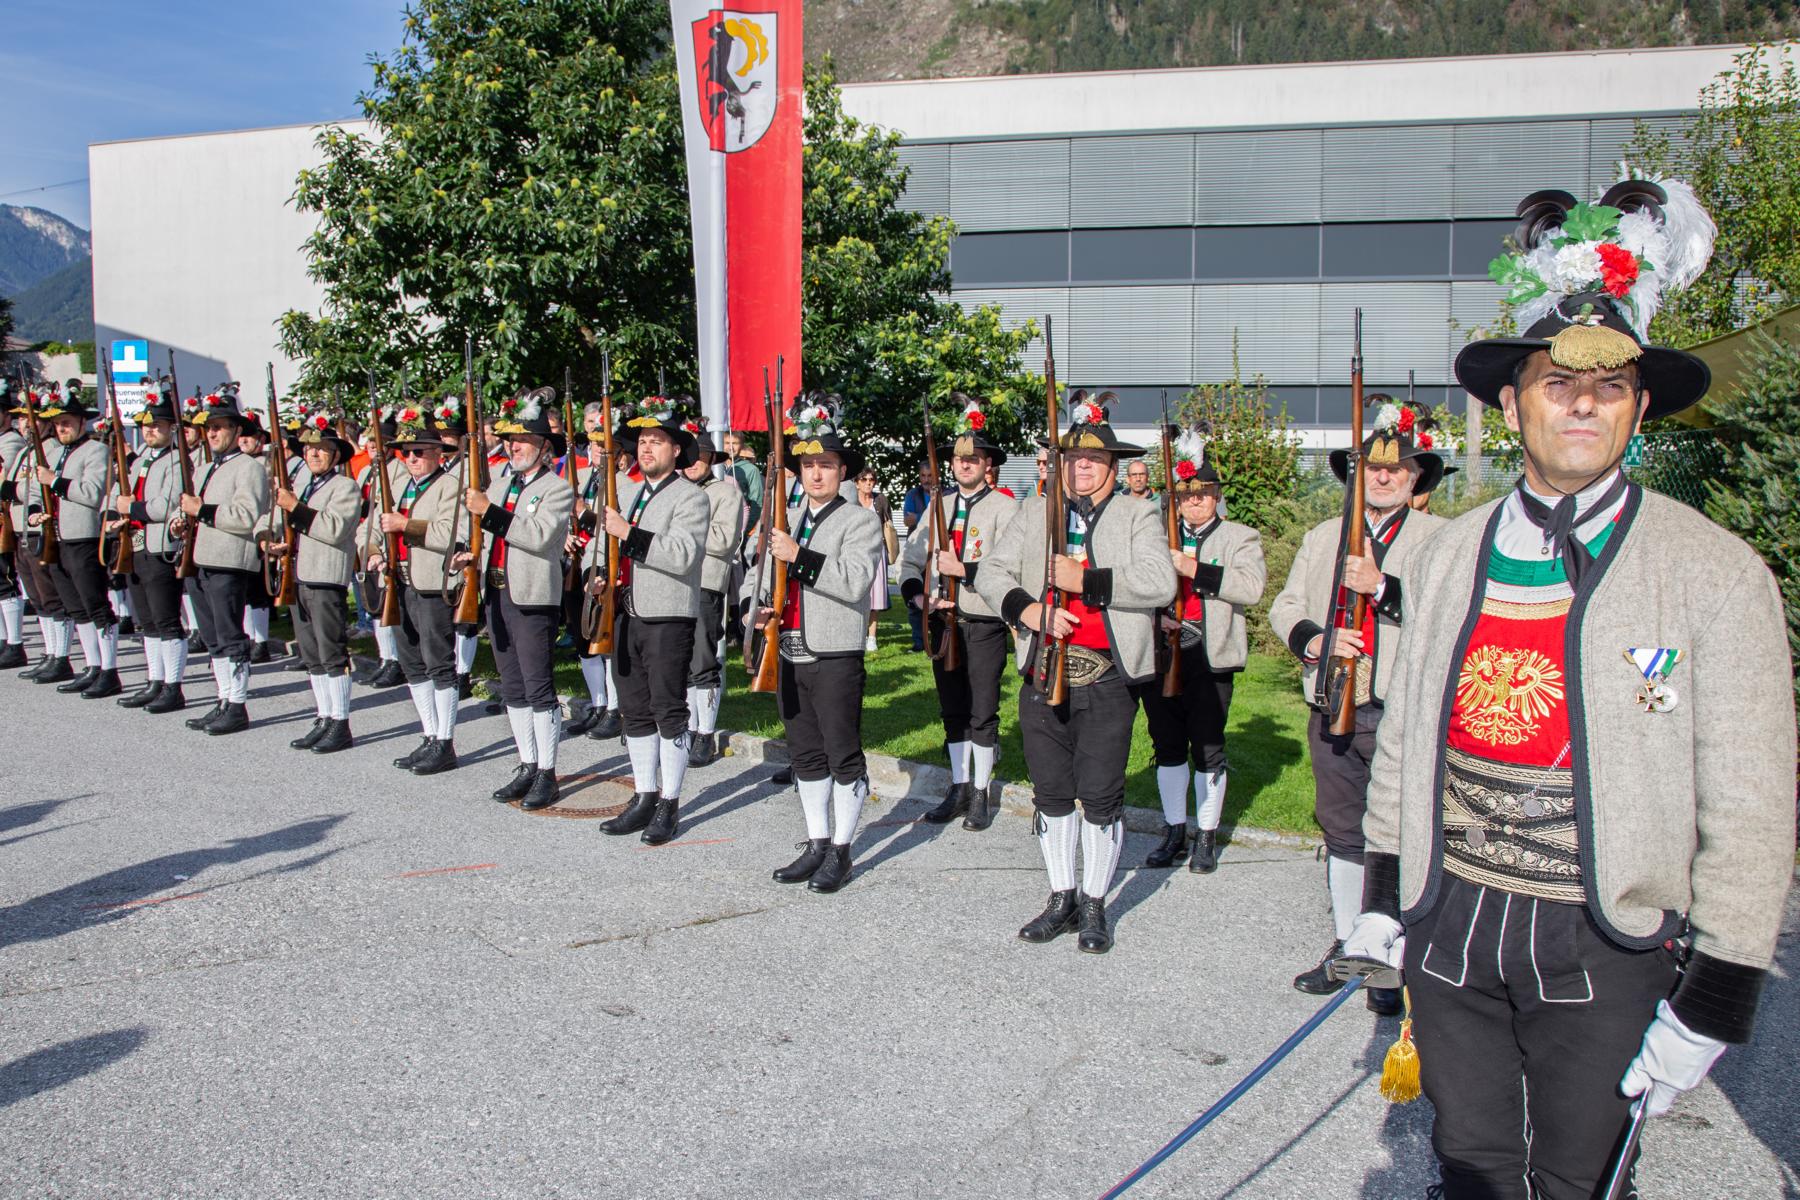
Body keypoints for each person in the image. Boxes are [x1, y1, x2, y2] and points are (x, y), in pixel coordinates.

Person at [1344, 179, 1795, 1199]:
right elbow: (1407, 736)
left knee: (1581, 1183)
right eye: (1556, 382)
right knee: (1469, 1170)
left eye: (1609, 386)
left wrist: (1717, 996)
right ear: (1512, 403)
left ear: (1639, 406)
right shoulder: (1450, 552)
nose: (1582, 402)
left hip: (1606, 936)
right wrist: (1382, 892)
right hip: (1451, 923)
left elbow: (1753, 801)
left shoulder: (1715, 573)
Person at [974, 390, 1175, 953]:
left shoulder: (1139, 513)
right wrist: (1028, 609)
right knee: (1052, 794)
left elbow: (1160, 582)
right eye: (1072, 458)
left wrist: (1086, 580)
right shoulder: (1035, 511)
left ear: (1111, 465)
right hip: (1043, 668)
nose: (1080, 467)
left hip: (1108, 675)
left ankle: (1094, 904)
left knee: (1102, 797)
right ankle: (1060, 896)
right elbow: (990, 571)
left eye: (1092, 459)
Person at [1268, 394, 1444, 1014]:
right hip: (1335, 704)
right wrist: (1314, 639)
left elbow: (1456, 621)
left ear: (1416, 475)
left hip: (1404, 712)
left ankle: (1396, 954)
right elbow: (1285, 606)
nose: (1386, 475)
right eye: (1374, 468)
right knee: (1342, 829)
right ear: (1357, 473)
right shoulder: (1323, 538)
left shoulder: (1441, 541)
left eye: (1398, 468)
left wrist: (1385, 589)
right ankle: (1349, 946)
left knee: (1403, 833)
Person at [743, 395, 882, 893]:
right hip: (788, 647)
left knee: (842, 753)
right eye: (807, 465)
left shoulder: (859, 520)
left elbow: (854, 581)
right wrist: (752, 608)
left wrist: (798, 555)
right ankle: (817, 840)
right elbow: (755, 574)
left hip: (835, 650)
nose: (815, 474)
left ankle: (842, 849)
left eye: (825, 464)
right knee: (803, 753)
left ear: (842, 469)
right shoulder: (787, 514)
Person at [588, 395, 709, 844]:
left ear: (676, 450)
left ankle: (669, 803)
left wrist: (628, 533)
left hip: (666, 616)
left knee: (667, 711)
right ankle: (643, 794)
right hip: (625, 612)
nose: (646, 449)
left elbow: (681, 555)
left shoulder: (690, 498)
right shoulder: (635, 493)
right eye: (641, 441)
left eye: (656, 441)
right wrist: (596, 575)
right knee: (635, 711)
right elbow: (605, 546)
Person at [1141, 438, 1266, 873]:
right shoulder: (1155, 533)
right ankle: (1175, 829)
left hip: (1210, 657)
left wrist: (1194, 569)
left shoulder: (1239, 536)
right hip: (1163, 653)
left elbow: (1251, 588)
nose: (1195, 501)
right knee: (1167, 744)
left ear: (1215, 496)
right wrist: (1156, 618)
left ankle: (1206, 836)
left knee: (1208, 747)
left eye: (1203, 493)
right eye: (1187, 494)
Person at [899, 394, 1019, 830]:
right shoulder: (938, 505)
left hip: (983, 621)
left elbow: (1011, 566)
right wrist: (918, 597)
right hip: (941, 621)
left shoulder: (1007, 509)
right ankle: (960, 784)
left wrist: (964, 569)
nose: (965, 465)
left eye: (975, 458)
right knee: (952, 709)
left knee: (982, 710)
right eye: (958, 458)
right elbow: (910, 561)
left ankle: (982, 791)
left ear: (988, 464)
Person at [462, 386, 574, 810]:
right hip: (496, 590)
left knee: (537, 685)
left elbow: (540, 536)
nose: (515, 446)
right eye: (511, 440)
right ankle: (527, 763)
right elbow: (483, 531)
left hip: (532, 596)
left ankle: (548, 771)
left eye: (524, 440)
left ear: (545, 448)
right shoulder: (501, 481)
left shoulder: (557, 488)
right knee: (511, 686)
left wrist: (488, 512)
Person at [365, 404, 466, 774]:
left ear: (438, 453)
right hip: (401, 580)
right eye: (406, 453)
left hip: (433, 583)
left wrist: (405, 526)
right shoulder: (398, 485)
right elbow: (373, 526)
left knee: (439, 662)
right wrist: (375, 549)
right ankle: (429, 734)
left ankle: (445, 740)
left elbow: (451, 533)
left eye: (419, 452)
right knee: (412, 662)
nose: (411, 458)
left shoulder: (449, 486)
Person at [174, 384, 271, 734]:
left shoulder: (249, 468)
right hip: (202, 557)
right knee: (213, 636)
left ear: (236, 431)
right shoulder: (204, 470)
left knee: (230, 635)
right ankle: (223, 698)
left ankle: (237, 704)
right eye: (209, 428)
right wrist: (180, 520)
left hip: (229, 559)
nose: (213, 433)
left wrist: (201, 510)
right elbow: (193, 510)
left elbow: (245, 515)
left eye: (220, 427)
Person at [273, 409, 361, 753]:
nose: (312, 453)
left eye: (321, 448)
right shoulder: (304, 483)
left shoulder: (346, 487)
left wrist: (295, 507)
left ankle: (340, 722)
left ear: (336, 454)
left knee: (331, 652)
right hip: (301, 574)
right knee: (311, 653)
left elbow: (333, 529)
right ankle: (324, 716)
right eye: (308, 448)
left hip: (326, 575)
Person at [32, 382, 122, 698]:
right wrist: (36, 511)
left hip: (84, 536)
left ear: (82, 422)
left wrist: (54, 481)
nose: (61, 427)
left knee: (96, 605)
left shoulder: (96, 450)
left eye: (67, 422)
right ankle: (92, 666)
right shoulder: (55, 452)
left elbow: (90, 493)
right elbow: (37, 491)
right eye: (57, 423)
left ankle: (110, 670)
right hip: (58, 537)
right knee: (76, 608)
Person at [110, 378, 192, 712]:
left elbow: (165, 504)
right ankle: (154, 680)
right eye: (146, 425)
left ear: (171, 428)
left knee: (166, 619)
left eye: (157, 425)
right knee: (148, 621)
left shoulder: (176, 460)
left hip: (159, 546)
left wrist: (132, 508)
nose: (149, 431)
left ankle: (173, 686)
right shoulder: (142, 457)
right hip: (137, 542)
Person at [681, 415, 745, 767]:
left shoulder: (726, 493)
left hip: (705, 581)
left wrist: (682, 529)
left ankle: (704, 732)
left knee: (703, 660)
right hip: (673, 582)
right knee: (680, 659)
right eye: (688, 457)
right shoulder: (675, 491)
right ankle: (686, 726)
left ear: (710, 461)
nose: (692, 464)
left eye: (699, 457)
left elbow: (722, 541)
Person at [3, 382, 75, 679]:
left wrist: (9, 488)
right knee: (38, 596)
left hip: (40, 527)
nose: (25, 424)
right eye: (21, 418)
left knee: (52, 595)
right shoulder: (30, 450)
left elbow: (35, 486)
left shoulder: (51, 450)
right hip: (21, 527)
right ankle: (49, 652)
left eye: (31, 419)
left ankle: (61, 656)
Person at [563, 402, 620, 740]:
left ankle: (614, 707)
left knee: (604, 638)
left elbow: (615, 525)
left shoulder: (622, 482)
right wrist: (565, 536)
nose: (598, 449)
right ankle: (597, 703)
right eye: (595, 443)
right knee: (582, 637)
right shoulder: (581, 477)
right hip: (576, 564)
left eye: (604, 444)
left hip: (603, 567)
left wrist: (584, 515)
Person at [354, 419, 408, 689]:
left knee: (388, 604)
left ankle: (395, 660)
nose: (374, 446)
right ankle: (385, 658)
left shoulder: (397, 470)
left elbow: (388, 507)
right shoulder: (367, 471)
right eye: (371, 442)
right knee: (373, 604)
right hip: (368, 538)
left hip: (387, 539)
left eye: (380, 442)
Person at [852, 466, 893, 651]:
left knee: (875, 598)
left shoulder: (880, 500)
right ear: (857, 483)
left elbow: (888, 525)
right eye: (864, 480)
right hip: (855, 553)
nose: (868, 483)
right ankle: (857, 633)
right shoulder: (850, 501)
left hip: (877, 553)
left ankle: (872, 637)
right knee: (856, 594)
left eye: (871, 480)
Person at [0, 387, 27, 669]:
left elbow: (3, 475)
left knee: (4, 580)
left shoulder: (10, 442)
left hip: (2, 519)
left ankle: (15, 643)